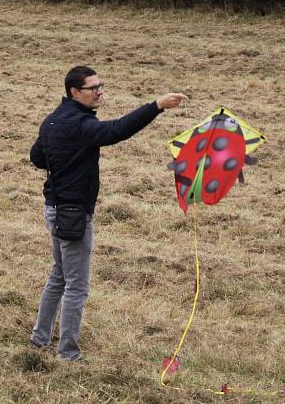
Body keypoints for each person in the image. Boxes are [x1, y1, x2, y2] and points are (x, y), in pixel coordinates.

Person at [28, 65, 187, 362]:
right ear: (75, 92)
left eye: (101, 85)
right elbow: (116, 131)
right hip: (73, 214)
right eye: (93, 88)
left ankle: (39, 338)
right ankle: (68, 353)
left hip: (54, 209)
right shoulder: (79, 125)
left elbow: (37, 157)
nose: (100, 91)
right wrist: (156, 106)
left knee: (59, 276)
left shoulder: (53, 121)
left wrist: (65, 159)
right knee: (76, 285)